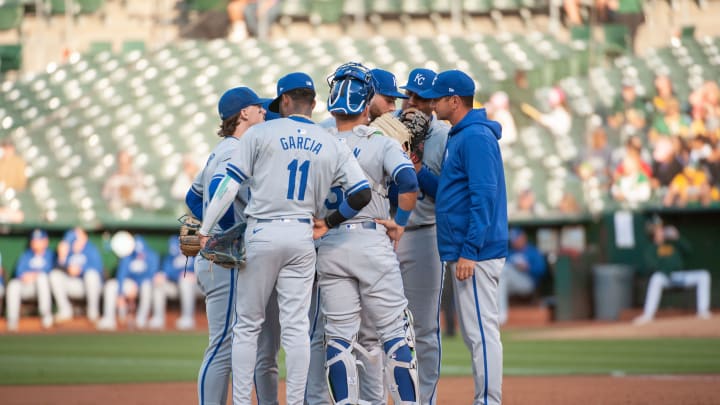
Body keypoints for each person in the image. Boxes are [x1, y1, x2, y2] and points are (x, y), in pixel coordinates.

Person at [197, 71, 371, 405]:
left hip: (262, 230)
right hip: (302, 233)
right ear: (314, 102)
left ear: (285, 101)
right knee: (295, 329)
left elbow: (229, 185)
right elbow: (361, 193)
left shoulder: (261, 133)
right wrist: (330, 221)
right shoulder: (330, 139)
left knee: (247, 326)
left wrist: (206, 229)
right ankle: (295, 401)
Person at [314, 62, 420, 405]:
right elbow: (408, 182)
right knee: (395, 335)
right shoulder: (380, 140)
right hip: (371, 236)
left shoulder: (318, 141)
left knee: (339, 340)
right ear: (365, 105)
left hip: (328, 243)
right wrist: (400, 221)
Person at [185, 86, 281, 405]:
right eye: (259, 108)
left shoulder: (221, 149)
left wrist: (207, 226)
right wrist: (224, 236)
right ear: (244, 114)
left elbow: (193, 197)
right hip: (223, 261)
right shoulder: (234, 151)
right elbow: (217, 189)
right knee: (223, 346)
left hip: (219, 260)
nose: (264, 112)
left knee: (230, 343)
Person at [420, 69, 508, 405]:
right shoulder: (462, 134)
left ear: (454, 100)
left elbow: (483, 195)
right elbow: (449, 192)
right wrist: (419, 174)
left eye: (439, 98)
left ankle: (488, 401)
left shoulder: (474, 137)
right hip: (468, 248)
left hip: (478, 252)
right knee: (476, 333)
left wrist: (470, 250)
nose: (433, 104)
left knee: (481, 333)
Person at [397, 67, 451, 405]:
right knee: (380, 329)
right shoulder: (388, 129)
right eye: (410, 96)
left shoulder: (444, 137)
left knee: (425, 329)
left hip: (424, 234)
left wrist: (417, 170)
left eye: (422, 98)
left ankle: (424, 399)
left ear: (435, 103)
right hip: (386, 233)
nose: (413, 103)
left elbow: (448, 192)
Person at [634, 216, 712, 324]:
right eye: (658, 230)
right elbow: (652, 265)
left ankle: (703, 312)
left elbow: (688, 250)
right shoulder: (651, 248)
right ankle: (648, 316)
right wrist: (667, 271)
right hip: (666, 278)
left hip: (680, 276)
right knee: (656, 279)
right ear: (653, 233)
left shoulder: (673, 243)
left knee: (704, 275)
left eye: (661, 229)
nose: (661, 231)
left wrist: (678, 237)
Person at [97, 234, 159, 330]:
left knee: (147, 285)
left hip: (144, 284)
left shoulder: (151, 256)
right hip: (130, 284)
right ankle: (109, 319)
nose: (139, 255)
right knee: (110, 285)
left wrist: (137, 284)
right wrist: (120, 294)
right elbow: (121, 275)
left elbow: (151, 275)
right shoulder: (128, 256)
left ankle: (141, 320)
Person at [49, 227, 104, 323]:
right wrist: (62, 259)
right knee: (54, 275)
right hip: (72, 285)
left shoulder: (91, 249)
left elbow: (98, 268)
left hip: (90, 286)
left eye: (79, 239)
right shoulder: (67, 250)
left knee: (91, 275)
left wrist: (81, 270)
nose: (76, 242)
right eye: (74, 240)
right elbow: (57, 267)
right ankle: (65, 310)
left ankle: (93, 311)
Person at [5, 229, 55, 331]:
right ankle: (12, 320)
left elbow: (52, 272)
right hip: (28, 287)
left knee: (42, 278)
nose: (35, 243)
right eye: (34, 240)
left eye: (38, 240)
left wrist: (35, 274)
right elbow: (19, 273)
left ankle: (46, 315)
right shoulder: (26, 255)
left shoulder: (51, 255)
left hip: (45, 288)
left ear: (45, 241)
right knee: (13, 284)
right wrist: (28, 276)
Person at [148, 236, 201, 330]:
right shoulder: (170, 258)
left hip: (197, 287)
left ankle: (187, 318)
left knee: (185, 280)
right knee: (159, 283)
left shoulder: (195, 255)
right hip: (177, 286)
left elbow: (202, 272)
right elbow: (166, 272)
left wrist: (194, 275)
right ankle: (158, 318)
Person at [498, 229, 547, 325]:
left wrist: (528, 267)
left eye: (516, 239)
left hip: (528, 283)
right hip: (511, 284)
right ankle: (496, 315)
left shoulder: (532, 251)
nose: (514, 242)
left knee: (504, 270)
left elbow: (542, 270)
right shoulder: (510, 253)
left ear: (523, 238)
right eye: (513, 240)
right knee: (499, 280)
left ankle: (501, 314)